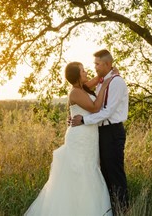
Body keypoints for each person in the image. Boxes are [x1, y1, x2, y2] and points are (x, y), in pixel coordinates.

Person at [24, 61, 118, 216]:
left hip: (89, 137)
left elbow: (97, 79)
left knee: (90, 169)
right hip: (80, 137)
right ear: (76, 76)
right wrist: (107, 83)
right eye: (82, 71)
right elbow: (95, 108)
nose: (86, 72)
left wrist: (108, 72)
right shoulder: (75, 92)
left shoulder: (83, 87)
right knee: (80, 172)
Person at [70, 49, 129, 214]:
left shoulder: (116, 82)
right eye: (93, 64)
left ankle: (122, 211)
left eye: (97, 64)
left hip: (112, 131)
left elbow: (108, 111)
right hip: (101, 133)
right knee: (105, 175)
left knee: (115, 174)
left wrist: (83, 120)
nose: (94, 67)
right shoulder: (103, 81)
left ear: (107, 64)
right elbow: (81, 94)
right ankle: (109, 210)